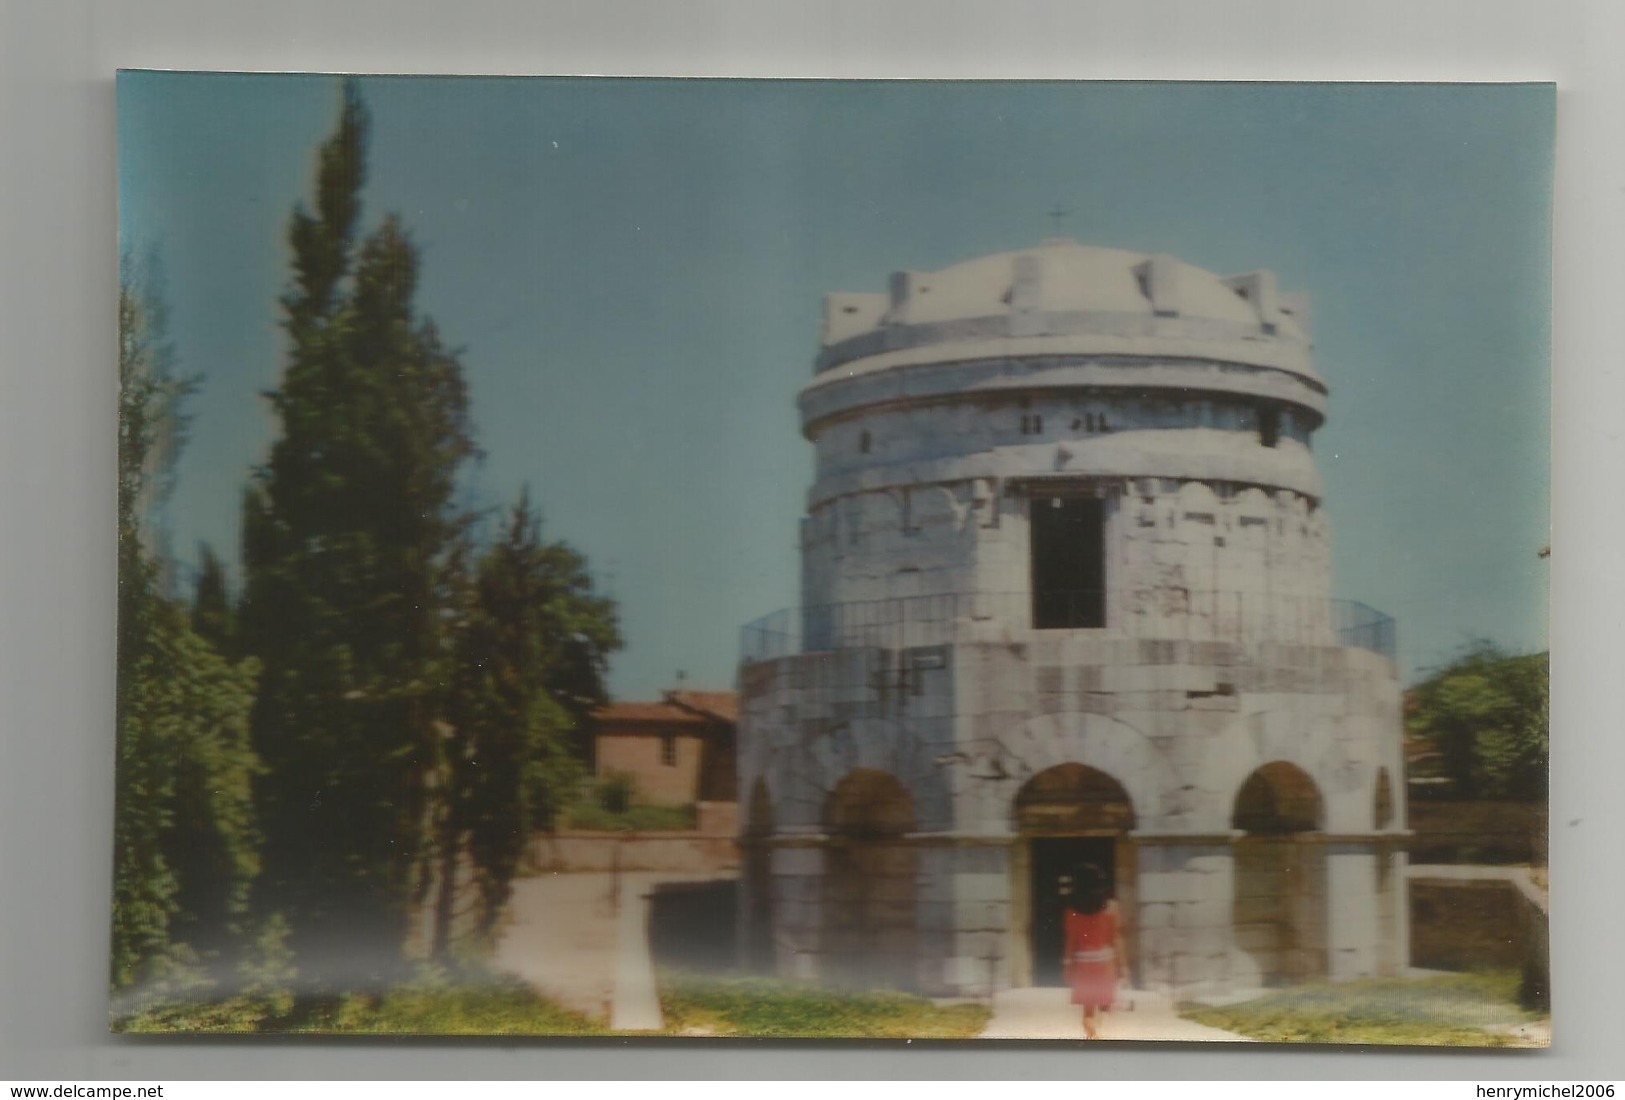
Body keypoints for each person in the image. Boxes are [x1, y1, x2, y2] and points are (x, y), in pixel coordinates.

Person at [1061, 862, 1126, 1039]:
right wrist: (1123, 967)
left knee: (1087, 1012)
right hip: (1105, 963)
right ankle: (1102, 1032)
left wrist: (1067, 966)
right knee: (1106, 1005)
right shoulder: (1111, 908)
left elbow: (1071, 941)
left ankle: (1093, 1034)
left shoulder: (1072, 911)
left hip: (1083, 964)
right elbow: (1115, 939)